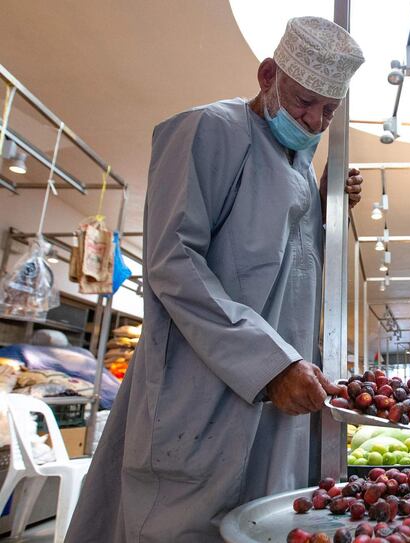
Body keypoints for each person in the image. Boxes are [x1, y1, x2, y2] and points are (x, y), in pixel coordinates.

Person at [65, 17, 365, 542]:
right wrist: (269, 364)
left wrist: (321, 209)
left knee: (255, 519)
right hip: (201, 392)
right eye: (303, 102)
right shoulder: (209, 130)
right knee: (182, 524)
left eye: (329, 111)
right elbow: (176, 262)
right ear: (267, 74)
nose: (316, 121)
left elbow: (282, 271)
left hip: (276, 393)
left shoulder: (296, 164)